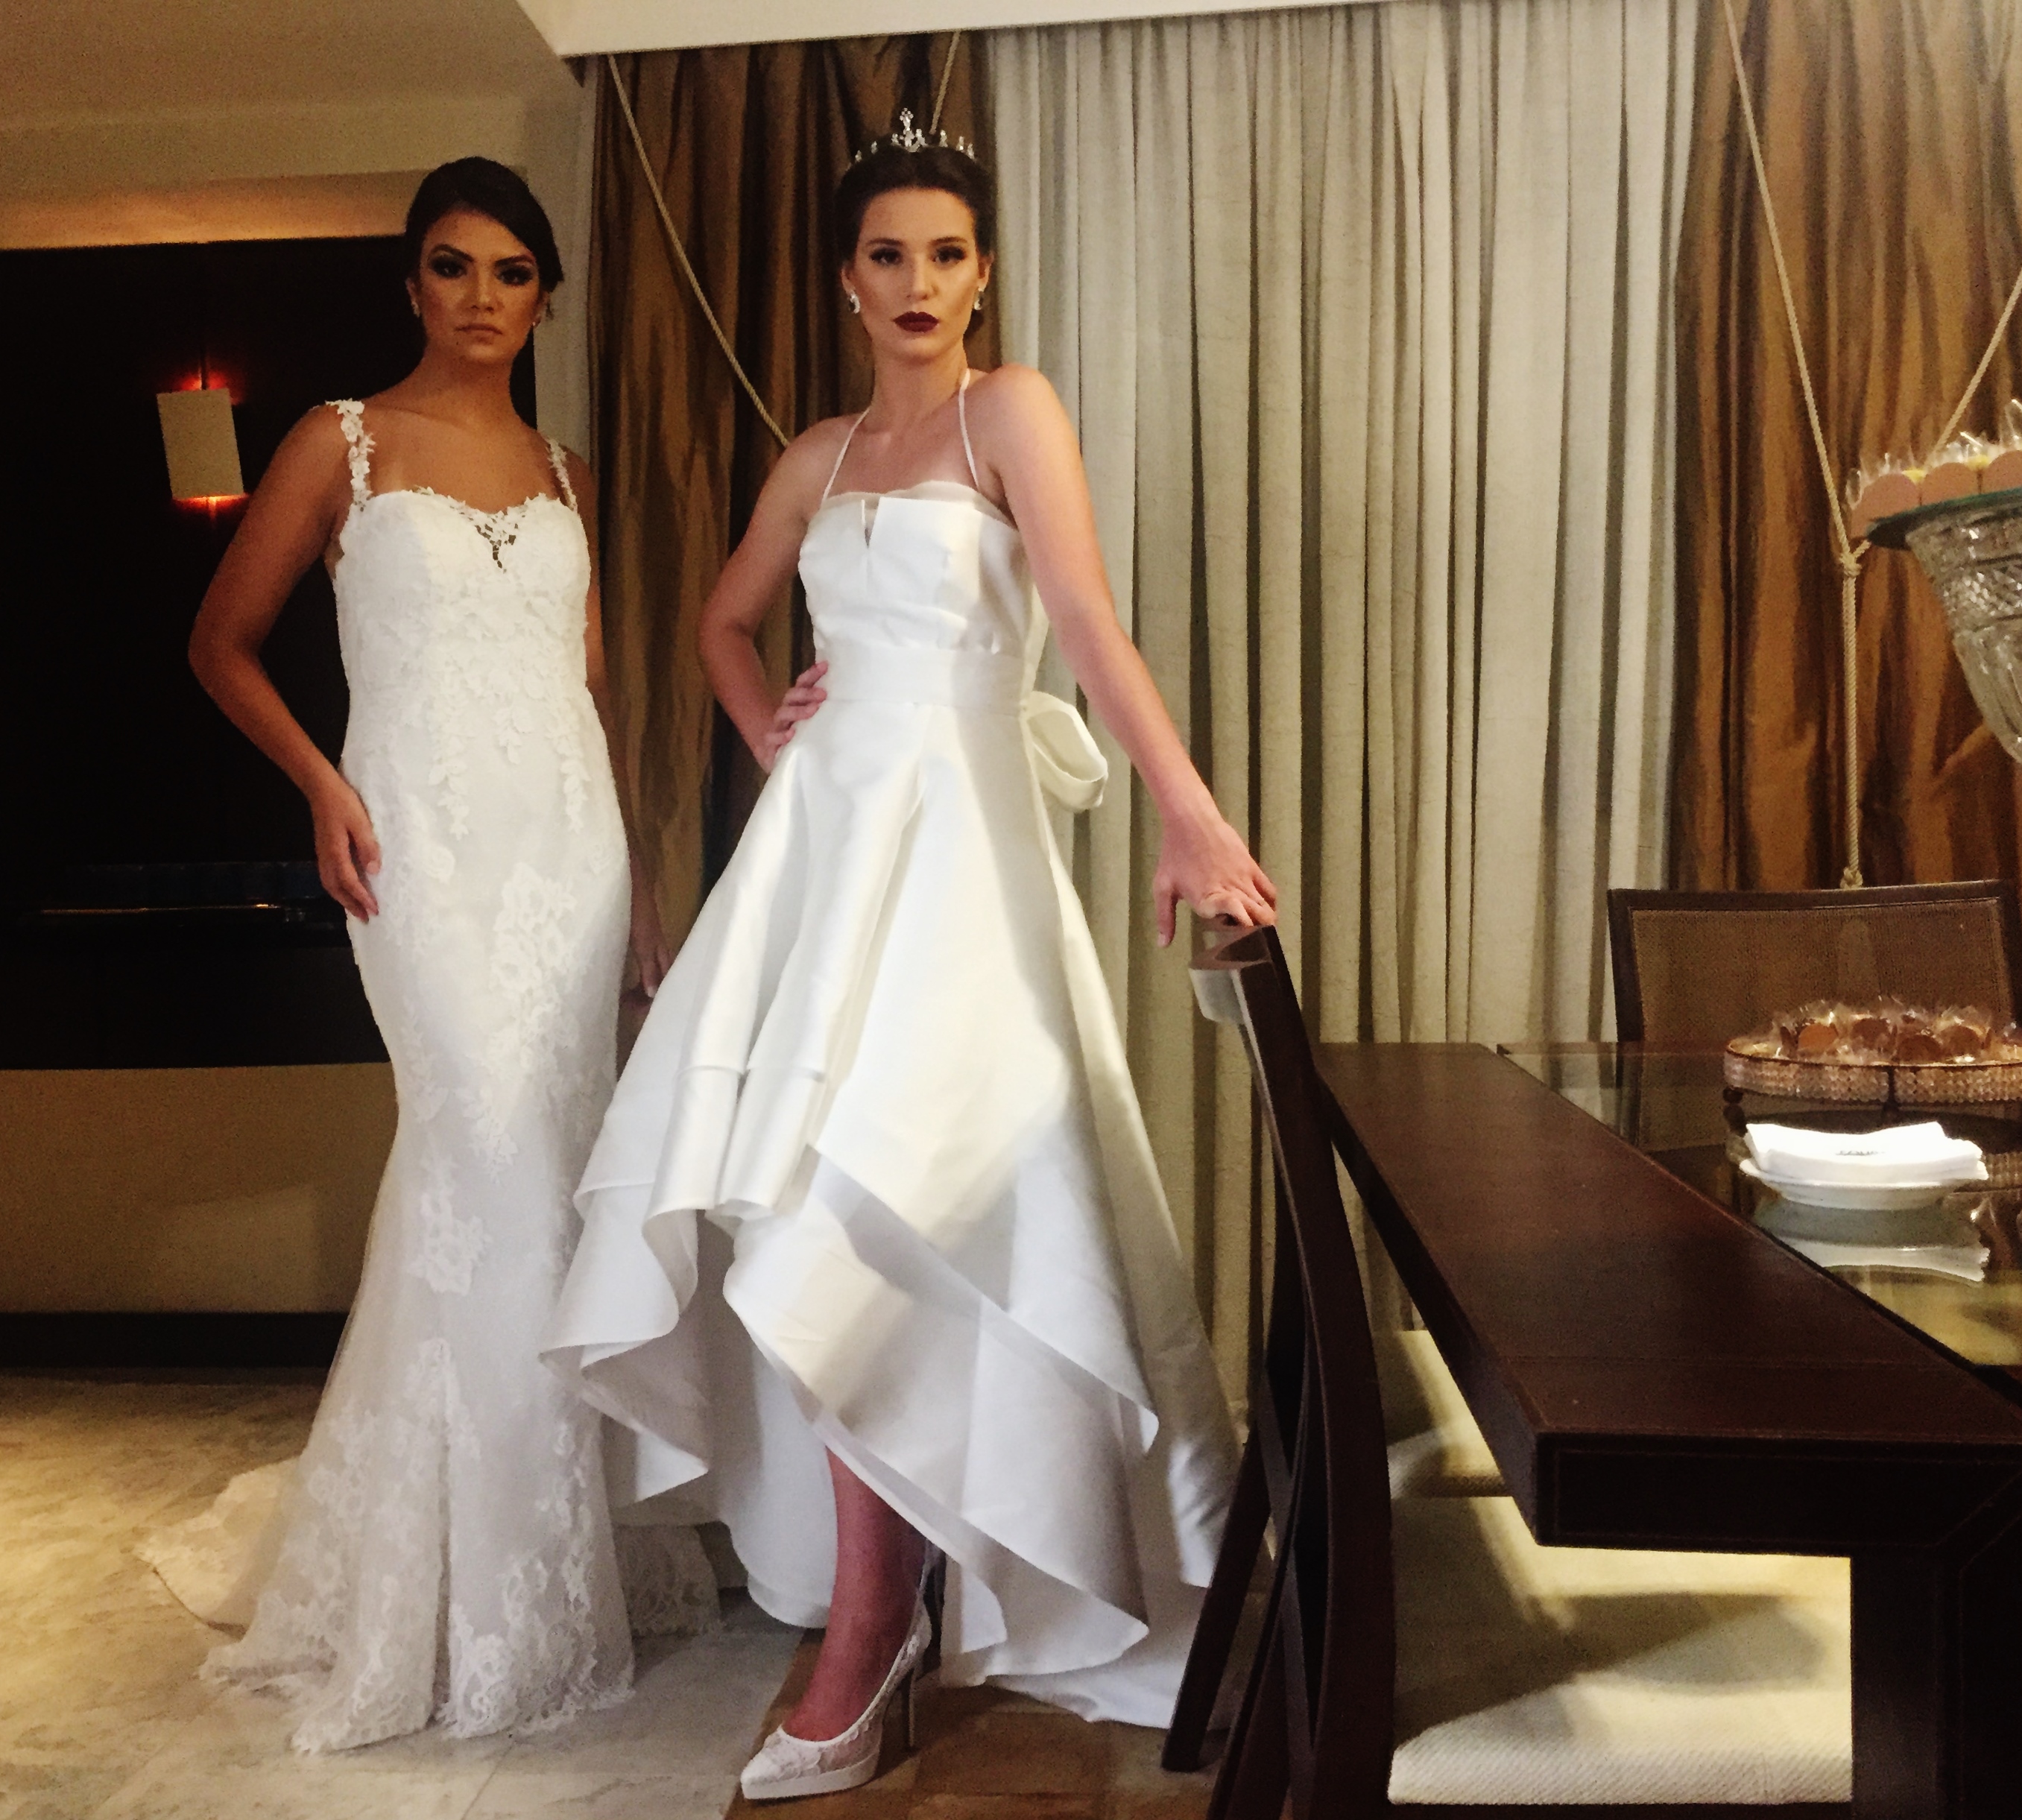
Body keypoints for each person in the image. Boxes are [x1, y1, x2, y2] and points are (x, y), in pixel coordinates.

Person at [543, 116, 1271, 1801]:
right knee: (817, 1211)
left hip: (959, 852)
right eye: (889, 255)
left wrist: (1186, 811)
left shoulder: (1011, 413)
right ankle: (878, 1614)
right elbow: (721, 621)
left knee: (934, 1202)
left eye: (947, 253)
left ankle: (892, 1619)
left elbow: (1084, 622)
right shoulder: (813, 457)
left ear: (982, 273)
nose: (920, 283)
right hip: (824, 854)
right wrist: (771, 731)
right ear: (848, 280)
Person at [159, 156, 710, 1754]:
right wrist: (322, 784)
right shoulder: (338, 441)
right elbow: (220, 644)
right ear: (411, 283)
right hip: (418, 850)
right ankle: (482, 1605)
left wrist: (643, 881)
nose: (482, 296)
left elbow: (590, 692)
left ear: (546, 298)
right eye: (454, 266)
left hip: (568, 854)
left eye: (512, 271)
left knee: (537, 1184)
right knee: (486, 1164)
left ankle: (525, 1556)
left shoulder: (568, 473)